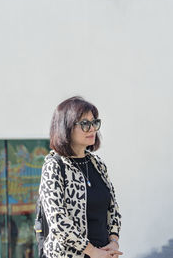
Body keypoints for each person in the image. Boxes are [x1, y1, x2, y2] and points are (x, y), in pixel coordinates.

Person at [39, 96, 123, 258]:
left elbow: (113, 210)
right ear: (67, 127)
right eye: (85, 124)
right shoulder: (55, 165)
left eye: (94, 122)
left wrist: (113, 242)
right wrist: (92, 252)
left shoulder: (97, 164)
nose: (92, 129)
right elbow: (58, 221)